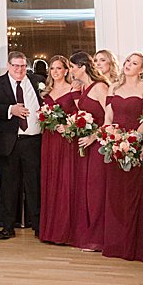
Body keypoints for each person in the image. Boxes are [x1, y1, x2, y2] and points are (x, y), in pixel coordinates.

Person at [0, 51, 43, 240]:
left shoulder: (36, 81)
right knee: (9, 186)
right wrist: (10, 110)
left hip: (32, 141)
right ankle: (8, 226)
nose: (19, 69)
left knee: (34, 185)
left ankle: (39, 226)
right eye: (15, 65)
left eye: (23, 66)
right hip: (8, 143)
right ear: (8, 66)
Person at [101, 52, 143, 263]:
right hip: (114, 145)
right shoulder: (114, 87)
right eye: (127, 62)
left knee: (133, 193)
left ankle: (135, 244)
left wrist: (133, 139)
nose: (128, 65)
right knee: (115, 195)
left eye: (134, 63)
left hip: (134, 143)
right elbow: (108, 116)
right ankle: (116, 242)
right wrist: (109, 135)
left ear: (142, 69)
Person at [68, 51, 110, 252]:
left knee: (97, 191)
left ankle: (100, 237)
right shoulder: (84, 87)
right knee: (87, 189)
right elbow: (82, 112)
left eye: (73, 67)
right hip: (86, 144)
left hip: (99, 144)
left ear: (83, 67)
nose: (71, 70)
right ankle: (89, 233)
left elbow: (111, 117)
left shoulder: (101, 87)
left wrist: (94, 136)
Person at [37, 54, 78, 246]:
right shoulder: (46, 91)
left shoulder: (73, 89)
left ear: (66, 70)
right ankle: (50, 229)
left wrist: (69, 127)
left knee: (66, 181)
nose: (55, 72)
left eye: (59, 68)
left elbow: (82, 114)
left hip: (66, 140)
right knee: (51, 180)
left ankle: (65, 231)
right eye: (52, 68)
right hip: (49, 139)